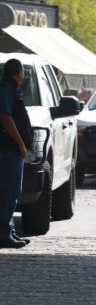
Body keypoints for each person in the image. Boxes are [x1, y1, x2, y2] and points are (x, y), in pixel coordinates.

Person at [0, 59, 33, 249]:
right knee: (10, 191)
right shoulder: (6, 90)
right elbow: (5, 116)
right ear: (17, 72)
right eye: (22, 71)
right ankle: (5, 234)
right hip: (9, 149)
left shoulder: (11, 89)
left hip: (10, 148)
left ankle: (8, 231)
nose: (24, 75)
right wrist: (20, 143)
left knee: (9, 192)